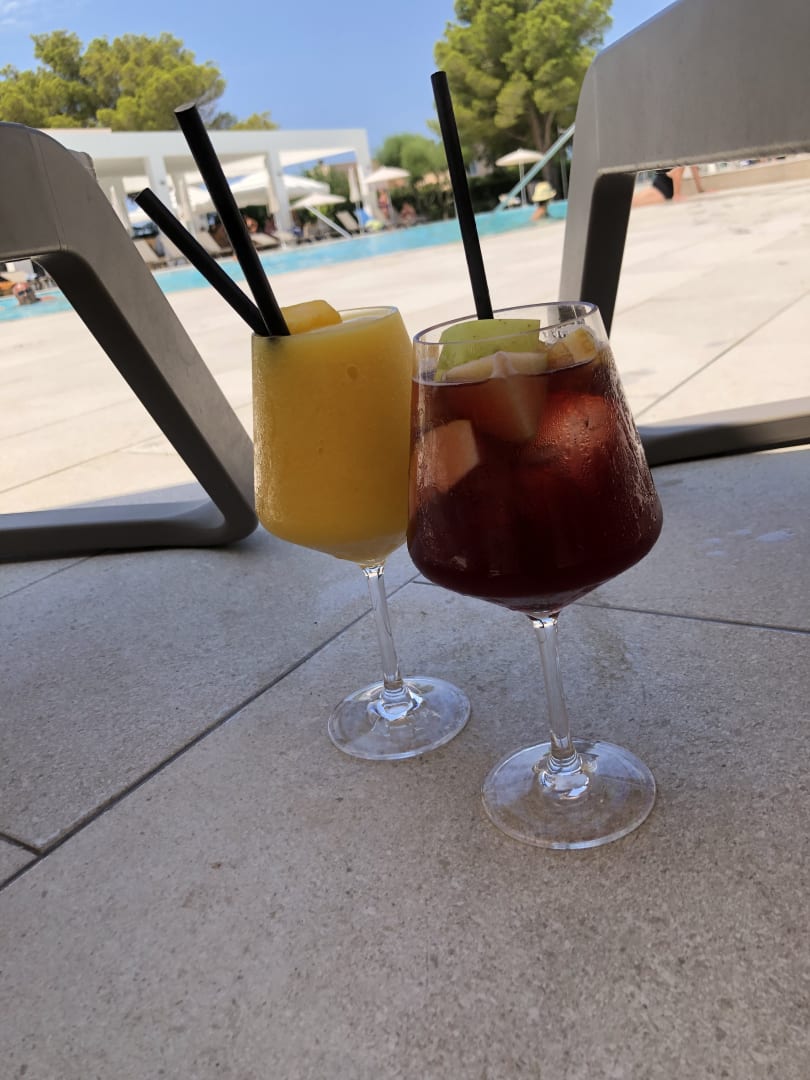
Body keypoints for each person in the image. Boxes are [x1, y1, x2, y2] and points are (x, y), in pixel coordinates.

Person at [632, 166, 704, 206]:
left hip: (663, 186)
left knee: (634, 202)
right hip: (663, 188)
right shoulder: (684, 152)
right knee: (634, 203)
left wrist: (701, 190)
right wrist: (677, 194)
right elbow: (677, 170)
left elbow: (694, 168)